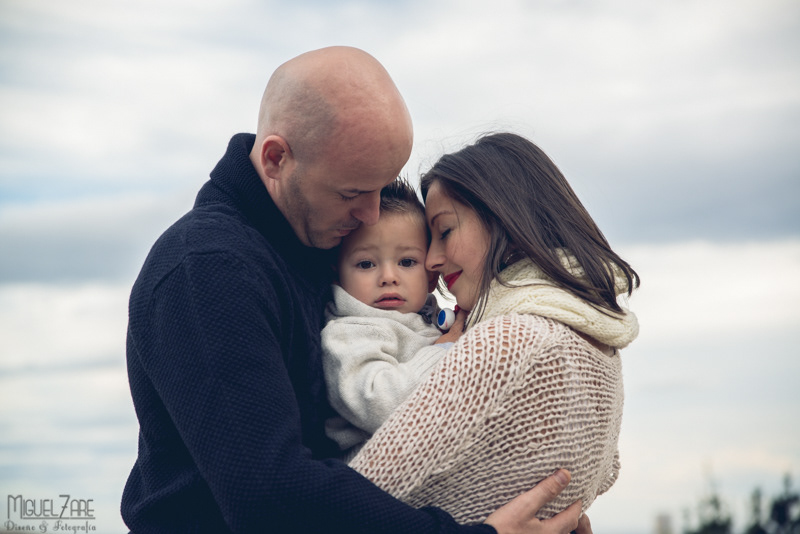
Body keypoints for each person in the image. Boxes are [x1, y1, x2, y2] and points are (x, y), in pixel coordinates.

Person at [122, 46, 591, 534]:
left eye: (382, 188)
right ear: (277, 158)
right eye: (351, 192)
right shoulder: (206, 268)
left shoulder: (313, 247)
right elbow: (268, 493)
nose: (371, 214)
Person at [347, 132, 640, 525]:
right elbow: (605, 474)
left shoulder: (506, 341)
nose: (432, 260)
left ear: (506, 217)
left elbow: (354, 501)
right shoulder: (603, 349)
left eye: (444, 231)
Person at [322, 179, 462, 456]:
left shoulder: (430, 320)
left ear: (431, 277)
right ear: (336, 275)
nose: (388, 277)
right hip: (375, 466)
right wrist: (445, 350)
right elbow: (379, 402)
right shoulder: (346, 334)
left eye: (406, 262)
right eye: (366, 264)